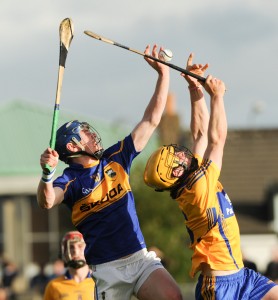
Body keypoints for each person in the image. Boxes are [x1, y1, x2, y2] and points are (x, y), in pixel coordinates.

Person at [37, 44, 183, 300]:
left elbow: (151, 120)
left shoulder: (117, 157)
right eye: (85, 135)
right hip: (107, 270)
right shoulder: (69, 180)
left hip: (139, 258)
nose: (93, 136)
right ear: (73, 146)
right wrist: (46, 174)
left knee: (172, 295)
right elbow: (47, 200)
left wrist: (164, 75)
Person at [143, 53, 278, 299]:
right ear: (176, 172)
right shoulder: (198, 187)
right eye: (176, 159)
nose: (180, 154)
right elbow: (216, 139)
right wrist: (217, 97)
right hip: (219, 285)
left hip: (242, 276)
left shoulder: (189, 181)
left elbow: (200, 135)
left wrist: (195, 90)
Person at [44, 231, 96, 299]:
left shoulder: (98, 282)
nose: (76, 252)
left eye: (80, 246)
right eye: (71, 247)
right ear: (64, 252)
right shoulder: (54, 286)